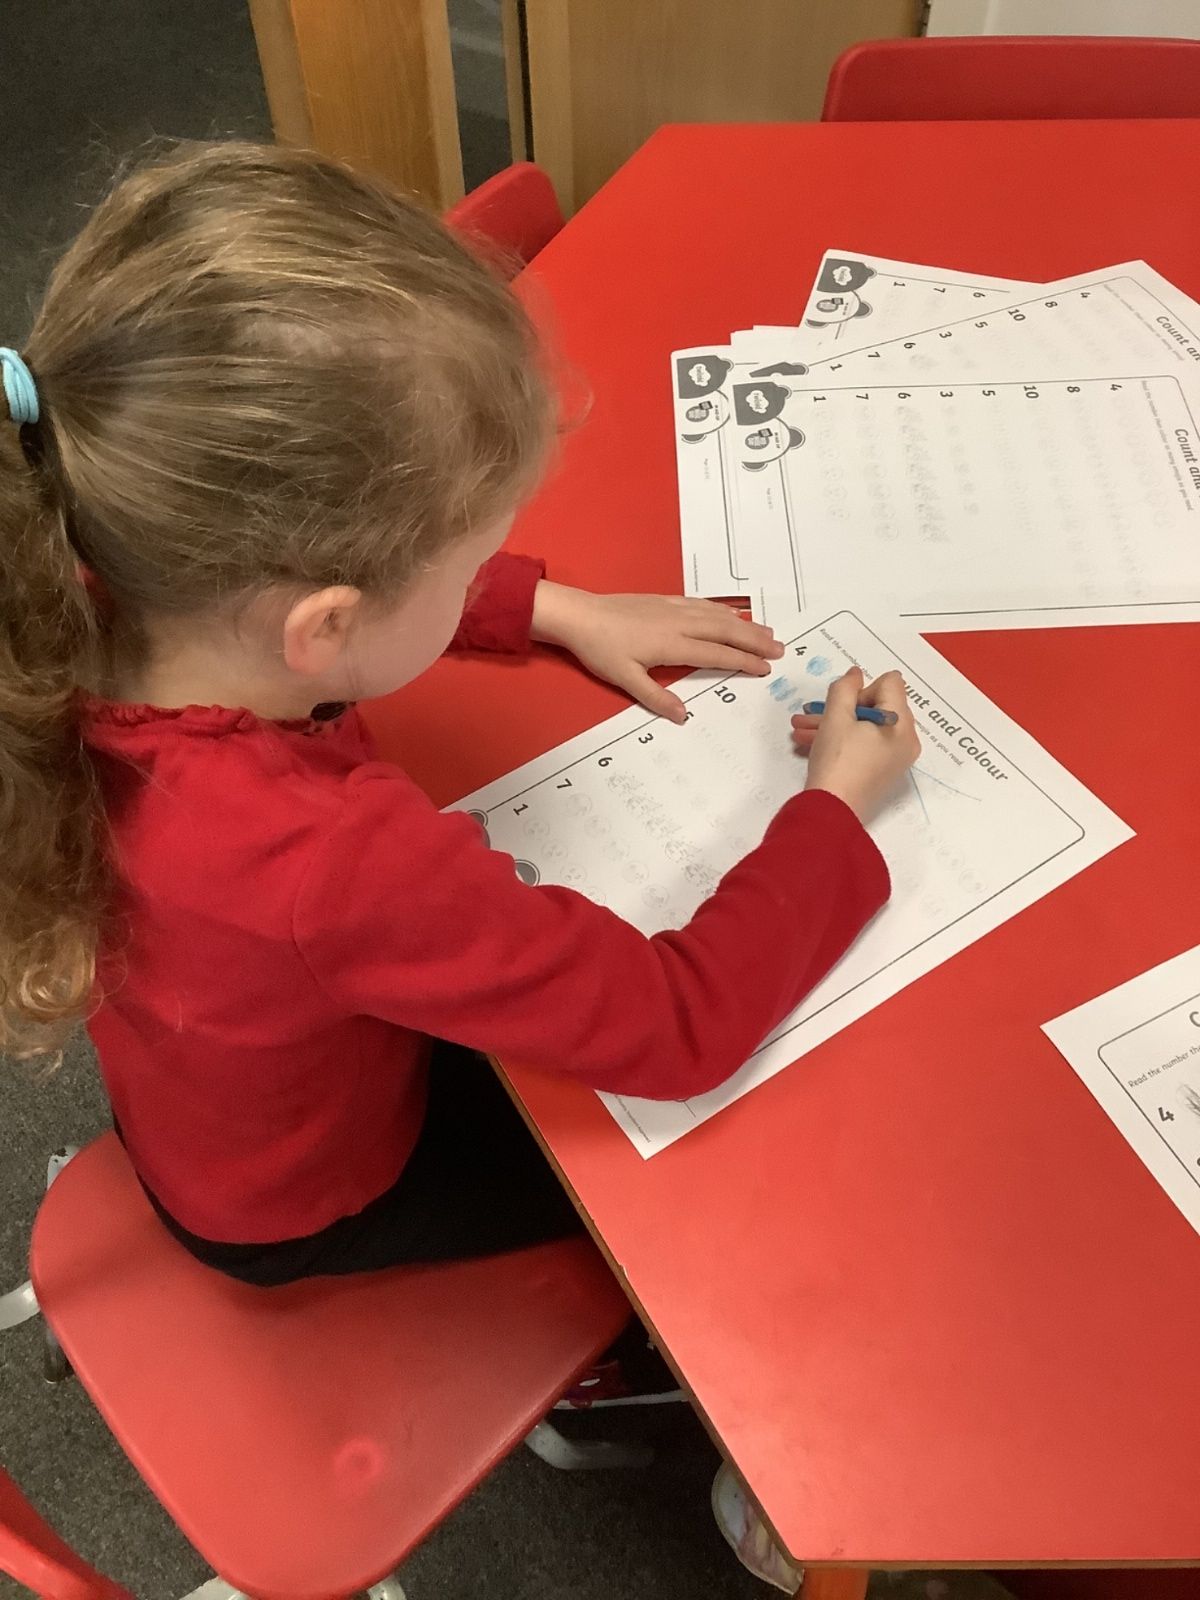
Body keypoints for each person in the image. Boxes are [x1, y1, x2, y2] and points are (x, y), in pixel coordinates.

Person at [0, 143, 917, 1304]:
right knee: (731, 1166)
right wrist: (836, 804)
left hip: (206, 1101)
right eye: (470, 560)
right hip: (305, 1196)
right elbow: (679, 1025)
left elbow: (335, 597)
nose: (483, 572)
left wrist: (548, 605)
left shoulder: (83, 575)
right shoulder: (330, 860)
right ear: (323, 625)